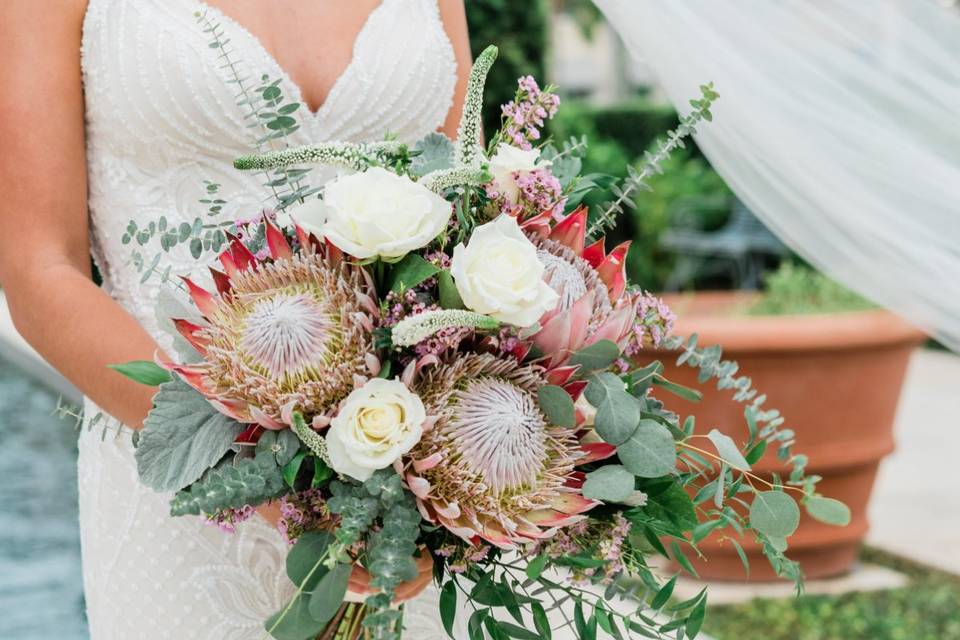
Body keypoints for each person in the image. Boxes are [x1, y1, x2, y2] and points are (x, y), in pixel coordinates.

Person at [0, 1, 472, 637]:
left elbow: (463, 201)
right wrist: (276, 481)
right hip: (177, 488)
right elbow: (38, 269)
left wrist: (451, 478)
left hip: (408, 502)